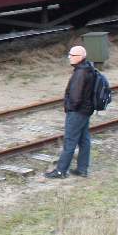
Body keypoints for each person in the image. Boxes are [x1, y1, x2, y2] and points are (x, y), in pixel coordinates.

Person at [45, 46, 100, 178]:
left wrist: (69, 107)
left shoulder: (80, 73)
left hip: (77, 112)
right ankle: (82, 169)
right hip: (86, 110)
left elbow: (75, 97)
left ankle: (61, 171)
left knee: (70, 141)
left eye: (71, 55)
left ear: (79, 57)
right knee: (84, 139)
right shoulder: (89, 68)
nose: (69, 57)